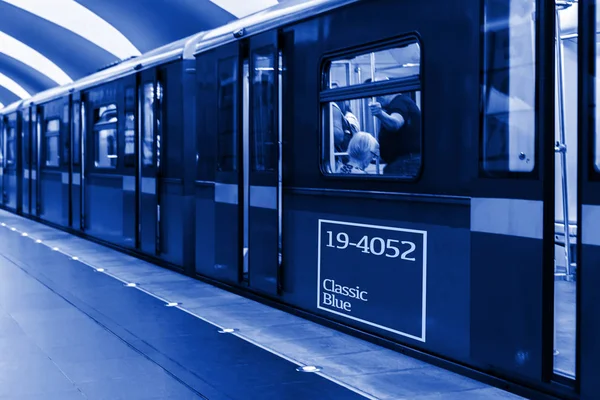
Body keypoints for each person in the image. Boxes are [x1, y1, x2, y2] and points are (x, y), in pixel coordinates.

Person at [367, 78, 421, 176]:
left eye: (373, 97)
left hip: (405, 164)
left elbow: (395, 124)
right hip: (404, 162)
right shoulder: (402, 102)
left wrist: (379, 113)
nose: (373, 100)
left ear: (381, 94)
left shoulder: (399, 102)